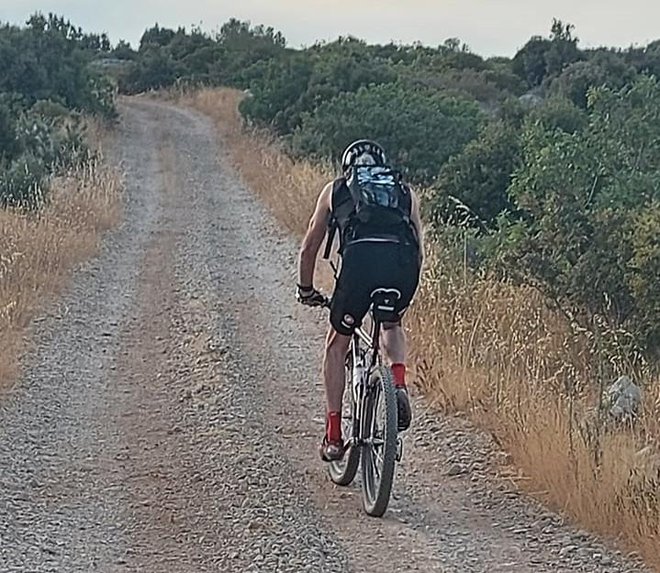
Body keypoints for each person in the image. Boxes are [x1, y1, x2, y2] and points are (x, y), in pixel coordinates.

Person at [296, 139, 424, 462]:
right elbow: (419, 249)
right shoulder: (405, 193)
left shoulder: (335, 190)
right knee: (392, 324)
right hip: (400, 268)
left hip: (358, 268)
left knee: (336, 345)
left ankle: (335, 436)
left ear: (348, 167)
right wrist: (406, 290)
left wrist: (305, 288)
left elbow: (310, 245)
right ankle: (397, 381)